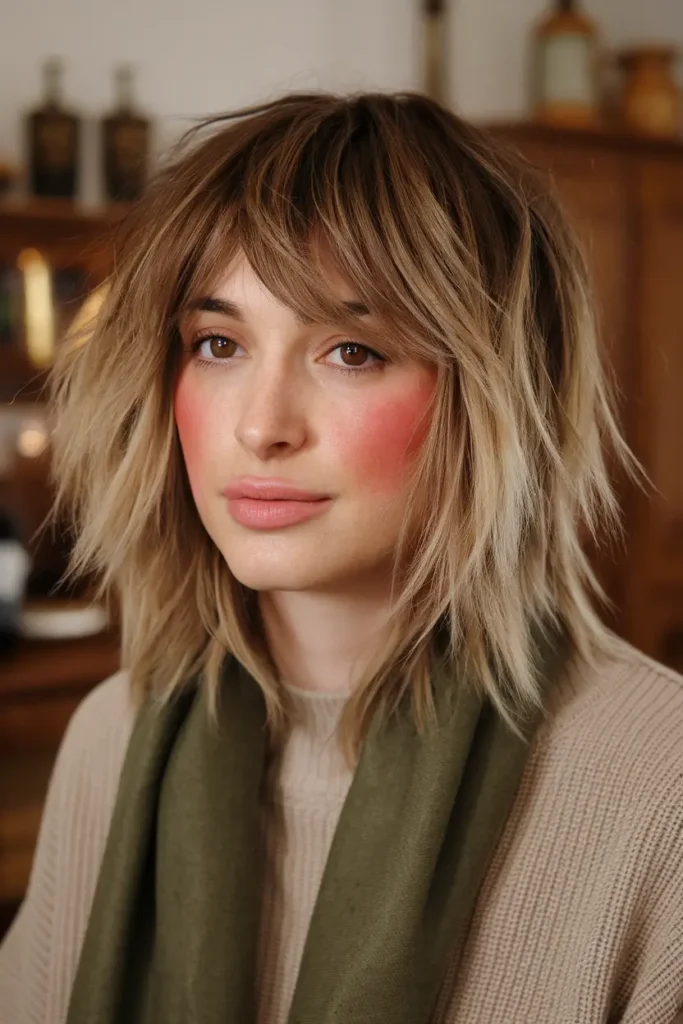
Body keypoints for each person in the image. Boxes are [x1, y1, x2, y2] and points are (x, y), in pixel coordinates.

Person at [1, 91, 683, 1024]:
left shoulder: (659, 786)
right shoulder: (112, 737)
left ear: (497, 392)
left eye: (352, 351)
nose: (261, 425)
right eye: (217, 343)